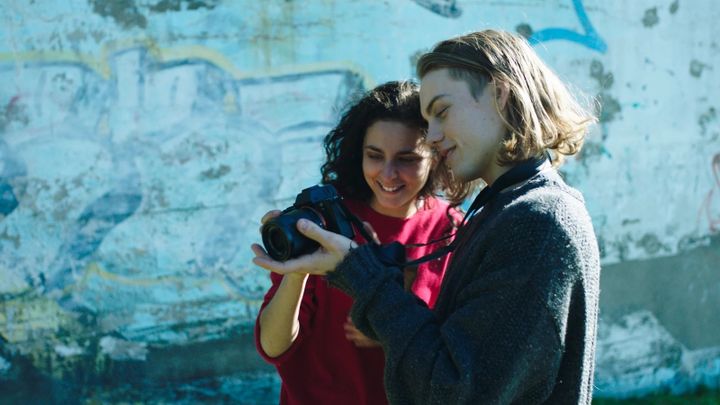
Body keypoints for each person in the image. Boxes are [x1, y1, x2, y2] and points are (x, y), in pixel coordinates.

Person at [252, 29, 601, 404]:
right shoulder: (508, 209)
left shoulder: (537, 220)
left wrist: (364, 278)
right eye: (375, 155)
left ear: (500, 95)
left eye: (442, 111)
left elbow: (454, 390)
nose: (432, 135)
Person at [254, 81, 464, 405]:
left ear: (437, 155)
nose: (388, 174)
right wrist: (296, 272)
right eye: (374, 156)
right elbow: (273, 347)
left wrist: (393, 328)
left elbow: (465, 346)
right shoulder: (326, 223)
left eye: (407, 158)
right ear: (358, 154)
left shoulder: (452, 231)